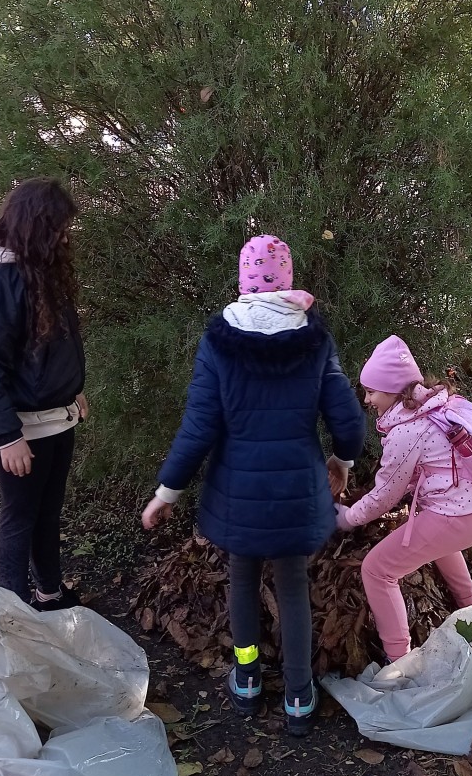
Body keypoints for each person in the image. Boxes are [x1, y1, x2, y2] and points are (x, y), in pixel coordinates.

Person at [141, 235, 366, 735]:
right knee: (293, 586)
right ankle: (298, 693)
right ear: (287, 278)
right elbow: (348, 418)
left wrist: (167, 492)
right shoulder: (313, 339)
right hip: (296, 491)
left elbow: (199, 427)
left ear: (243, 281)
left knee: (241, 580)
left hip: (237, 492)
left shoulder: (219, 341)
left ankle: (246, 676)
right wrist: (343, 460)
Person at [0, 178, 87, 609]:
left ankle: (49, 593)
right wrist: (6, 435)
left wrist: (72, 392)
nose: (65, 237)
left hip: (57, 417)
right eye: (59, 228)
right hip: (23, 429)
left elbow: (52, 345)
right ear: (37, 226)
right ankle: (14, 613)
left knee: (47, 512)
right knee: (20, 518)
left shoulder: (38, 268)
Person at [334, 335, 472, 663]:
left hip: (457, 517)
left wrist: (348, 517)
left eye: (371, 391)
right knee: (439, 544)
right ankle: (471, 613)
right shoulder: (439, 405)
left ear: (393, 390)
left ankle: (399, 662)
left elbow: (384, 496)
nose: (366, 400)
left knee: (377, 570)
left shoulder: (406, 431)